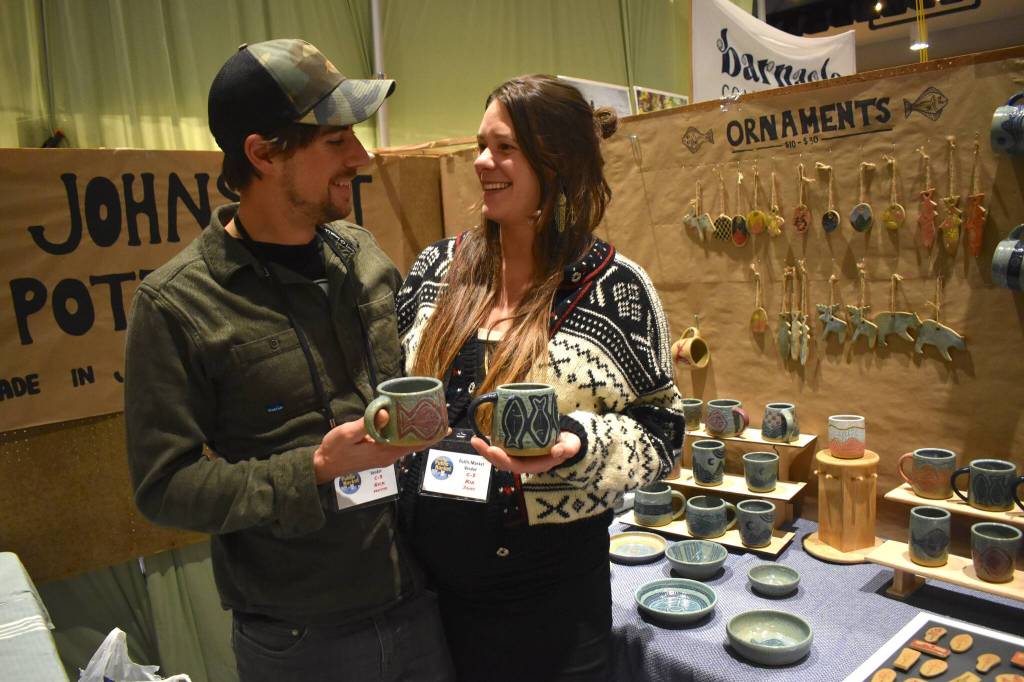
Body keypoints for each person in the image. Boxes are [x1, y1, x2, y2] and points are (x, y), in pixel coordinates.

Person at [124, 39, 452, 681]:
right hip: (302, 640)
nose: (360, 157)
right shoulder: (176, 304)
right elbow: (164, 487)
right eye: (335, 141)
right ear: (263, 153)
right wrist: (317, 468)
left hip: (417, 603)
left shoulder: (362, 257)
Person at [396, 75, 686, 682]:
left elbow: (662, 431)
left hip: (552, 610)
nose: (481, 162)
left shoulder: (615, 289)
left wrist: (579, 445)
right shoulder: (435, 271)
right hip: (426, 602)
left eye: (504, 148)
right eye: (481, 145)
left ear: (555, 162)